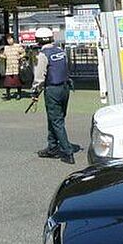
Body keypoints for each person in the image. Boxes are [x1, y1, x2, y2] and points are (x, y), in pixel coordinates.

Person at [31, 27, 75, 164]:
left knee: (56, 121)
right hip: (65, 88)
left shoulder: (43, 54)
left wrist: (35, 91)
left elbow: (39, 77)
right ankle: (52, 147)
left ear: (38, 40)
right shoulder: (61, 51)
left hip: (53, 90)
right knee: (55, 118)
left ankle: (67, 152)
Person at [0, 34, 26, 100]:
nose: (9, 40)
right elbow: (4, 56)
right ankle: (8, 95)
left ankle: (19, 94)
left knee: (18, 82)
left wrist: (20, 56)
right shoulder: (6, 47)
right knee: (7, 83)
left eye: (10, 39)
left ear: (13, 39)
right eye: (8, 39)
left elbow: (24, 53)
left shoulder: (18, 46)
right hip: (9, 68)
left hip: (16, 67)